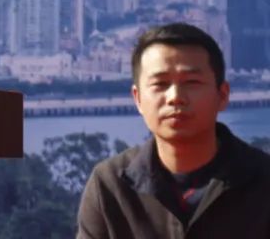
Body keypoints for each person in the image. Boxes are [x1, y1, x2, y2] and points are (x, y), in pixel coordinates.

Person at [77, 23, 270, 238]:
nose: (175, 97)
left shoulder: (263, 180)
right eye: (160, 84)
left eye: (192, 82)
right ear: (138, 99)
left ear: (222, 95)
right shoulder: (110, 185)